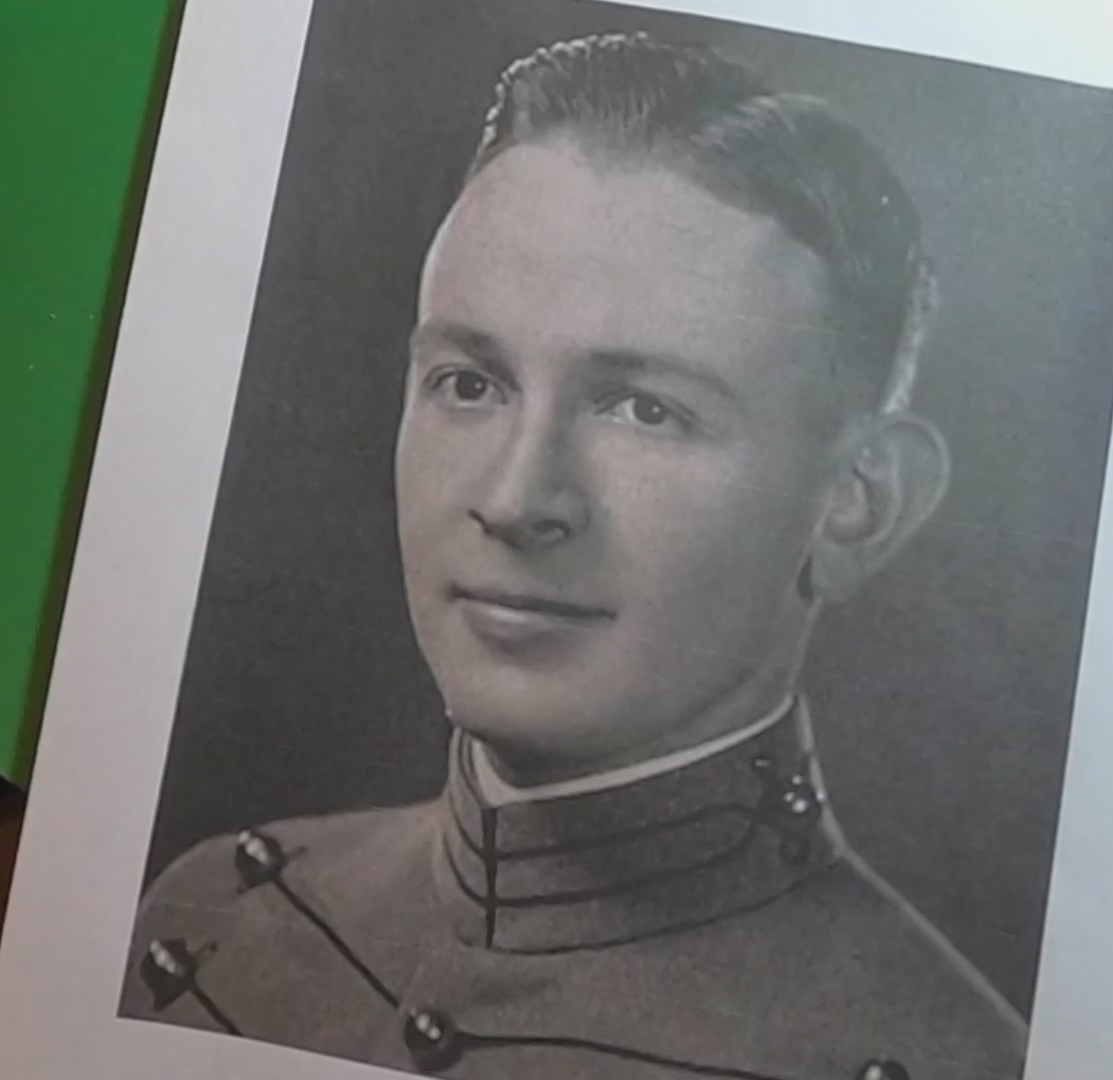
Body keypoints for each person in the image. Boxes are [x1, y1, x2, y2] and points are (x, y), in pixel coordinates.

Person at [123, 31, 1025, 1080]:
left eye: (645, 410)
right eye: (471, 383)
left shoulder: (949, 1059)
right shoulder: (220, 922)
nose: (515, 500)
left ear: (856, 503)